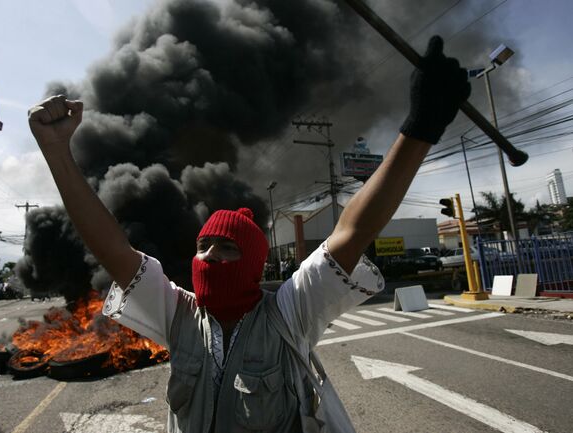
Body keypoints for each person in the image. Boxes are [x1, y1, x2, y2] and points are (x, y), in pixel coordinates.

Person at [29, 35, 470, 432]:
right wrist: (57, 152)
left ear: (255, 264)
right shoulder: (178, 317)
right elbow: (113, 249)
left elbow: (350, 233)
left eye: (226, 248)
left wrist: (420, 130)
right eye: (203, 247)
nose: (208, 257)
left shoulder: (288, 315)